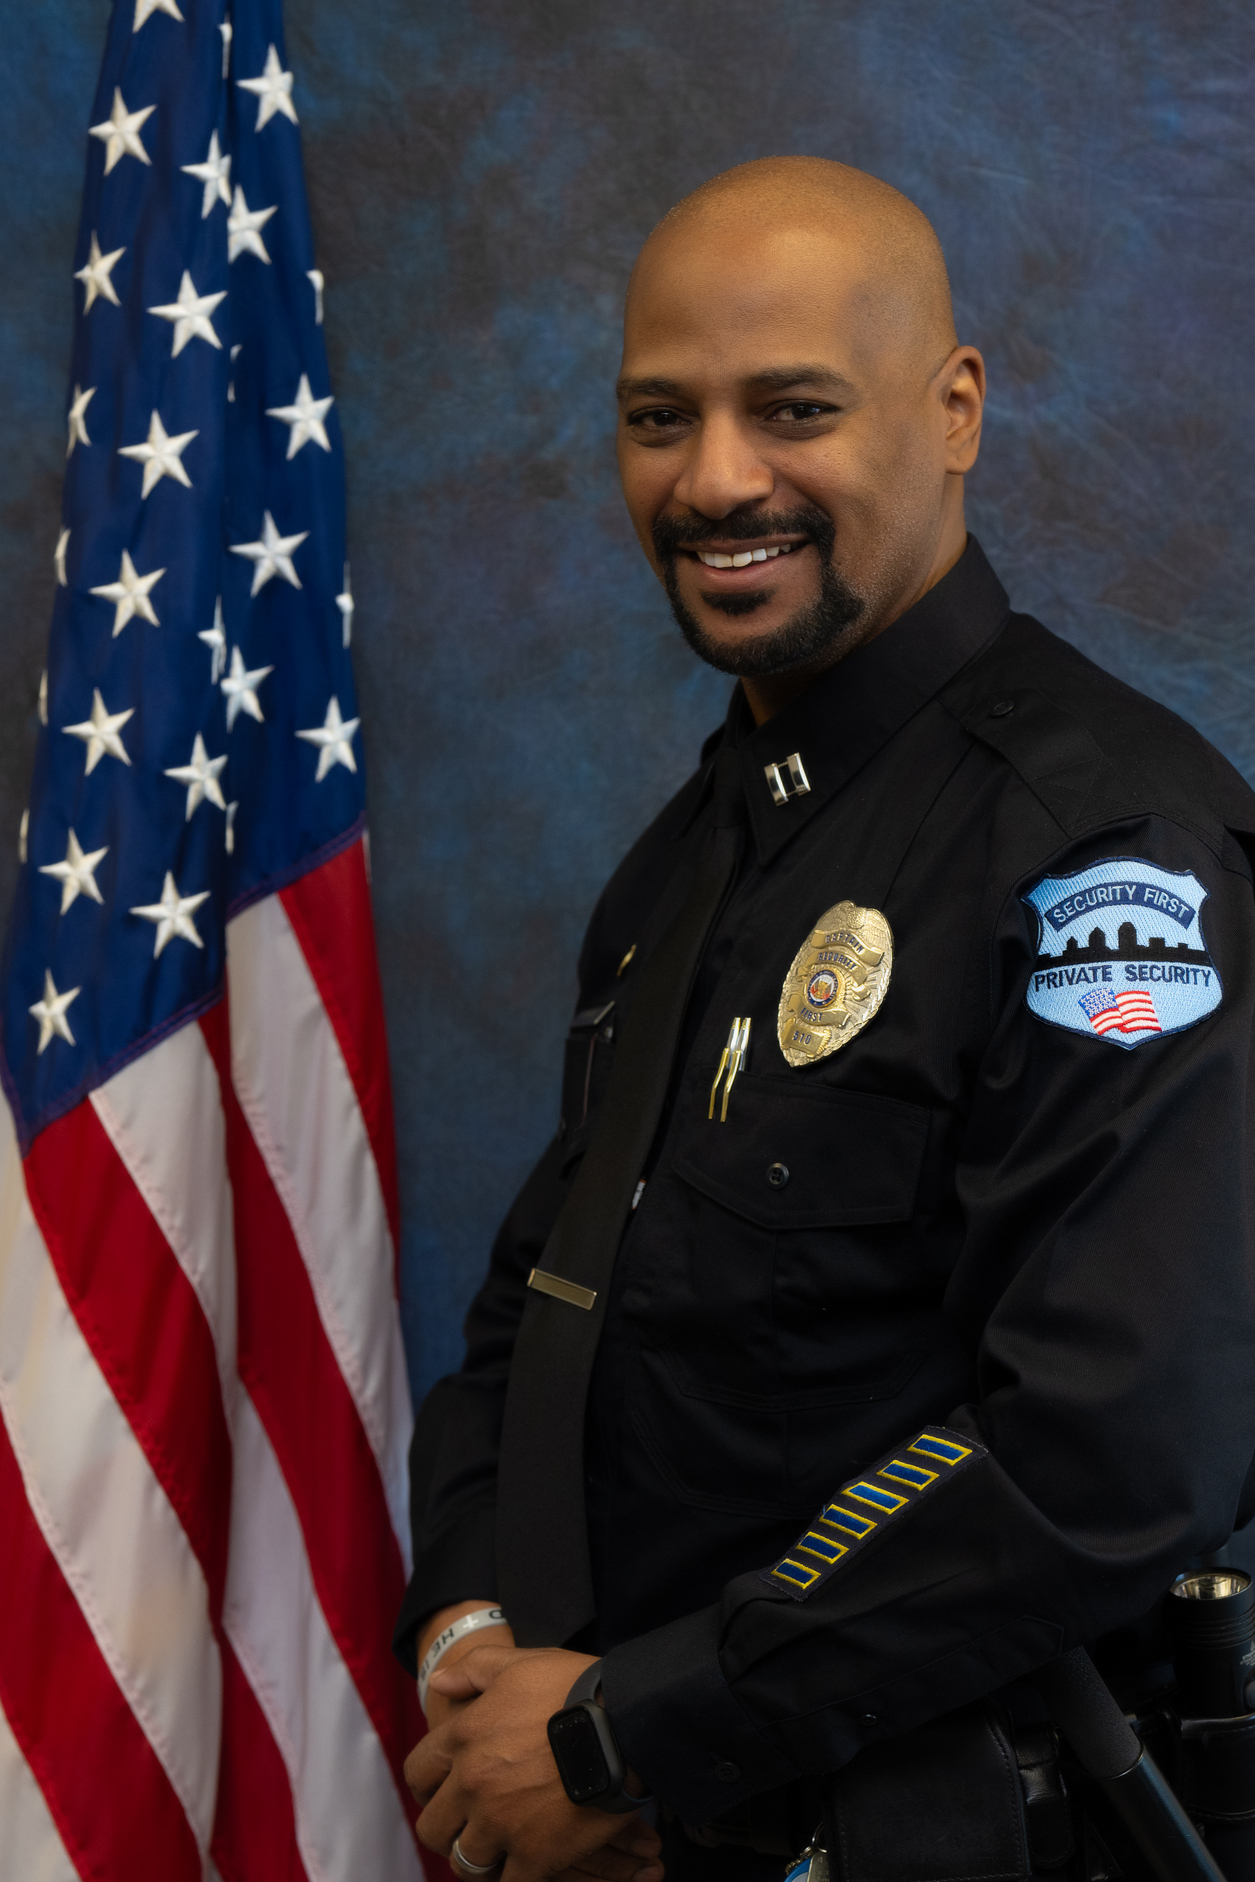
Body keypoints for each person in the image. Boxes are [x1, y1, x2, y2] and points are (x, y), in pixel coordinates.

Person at [396, 156, 1255, 1882]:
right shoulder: (699, 848)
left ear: (954, 412)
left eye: (794, 408)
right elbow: (542, 1303)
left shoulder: (1100, 854)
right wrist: (475, 1633)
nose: (718, 479)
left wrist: (631, 1737)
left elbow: (1110, 1450)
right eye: (661, 416)